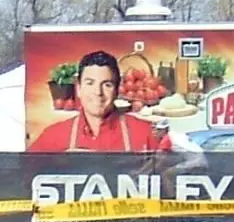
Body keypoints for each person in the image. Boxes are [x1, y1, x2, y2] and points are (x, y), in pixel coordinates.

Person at [28, 50, 158, 153]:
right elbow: (21, 178)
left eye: (107, 84)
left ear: (117, 90)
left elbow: (169, 180)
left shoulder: (146, 134)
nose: (98, 92)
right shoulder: (53, 138)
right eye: (90, 83)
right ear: (78, 89)